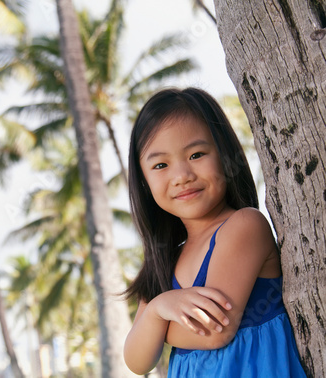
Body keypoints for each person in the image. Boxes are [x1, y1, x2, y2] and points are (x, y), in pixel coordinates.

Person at [123, 87, 306, 377]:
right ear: (144, 182)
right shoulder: (165, 260)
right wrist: (158, 309)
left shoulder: (245, 226)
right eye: (160, 165)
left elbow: (214, 331)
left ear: (224, 155)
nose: (182, 176)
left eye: (196, 154)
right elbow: (137, 360)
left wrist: (156, 321)